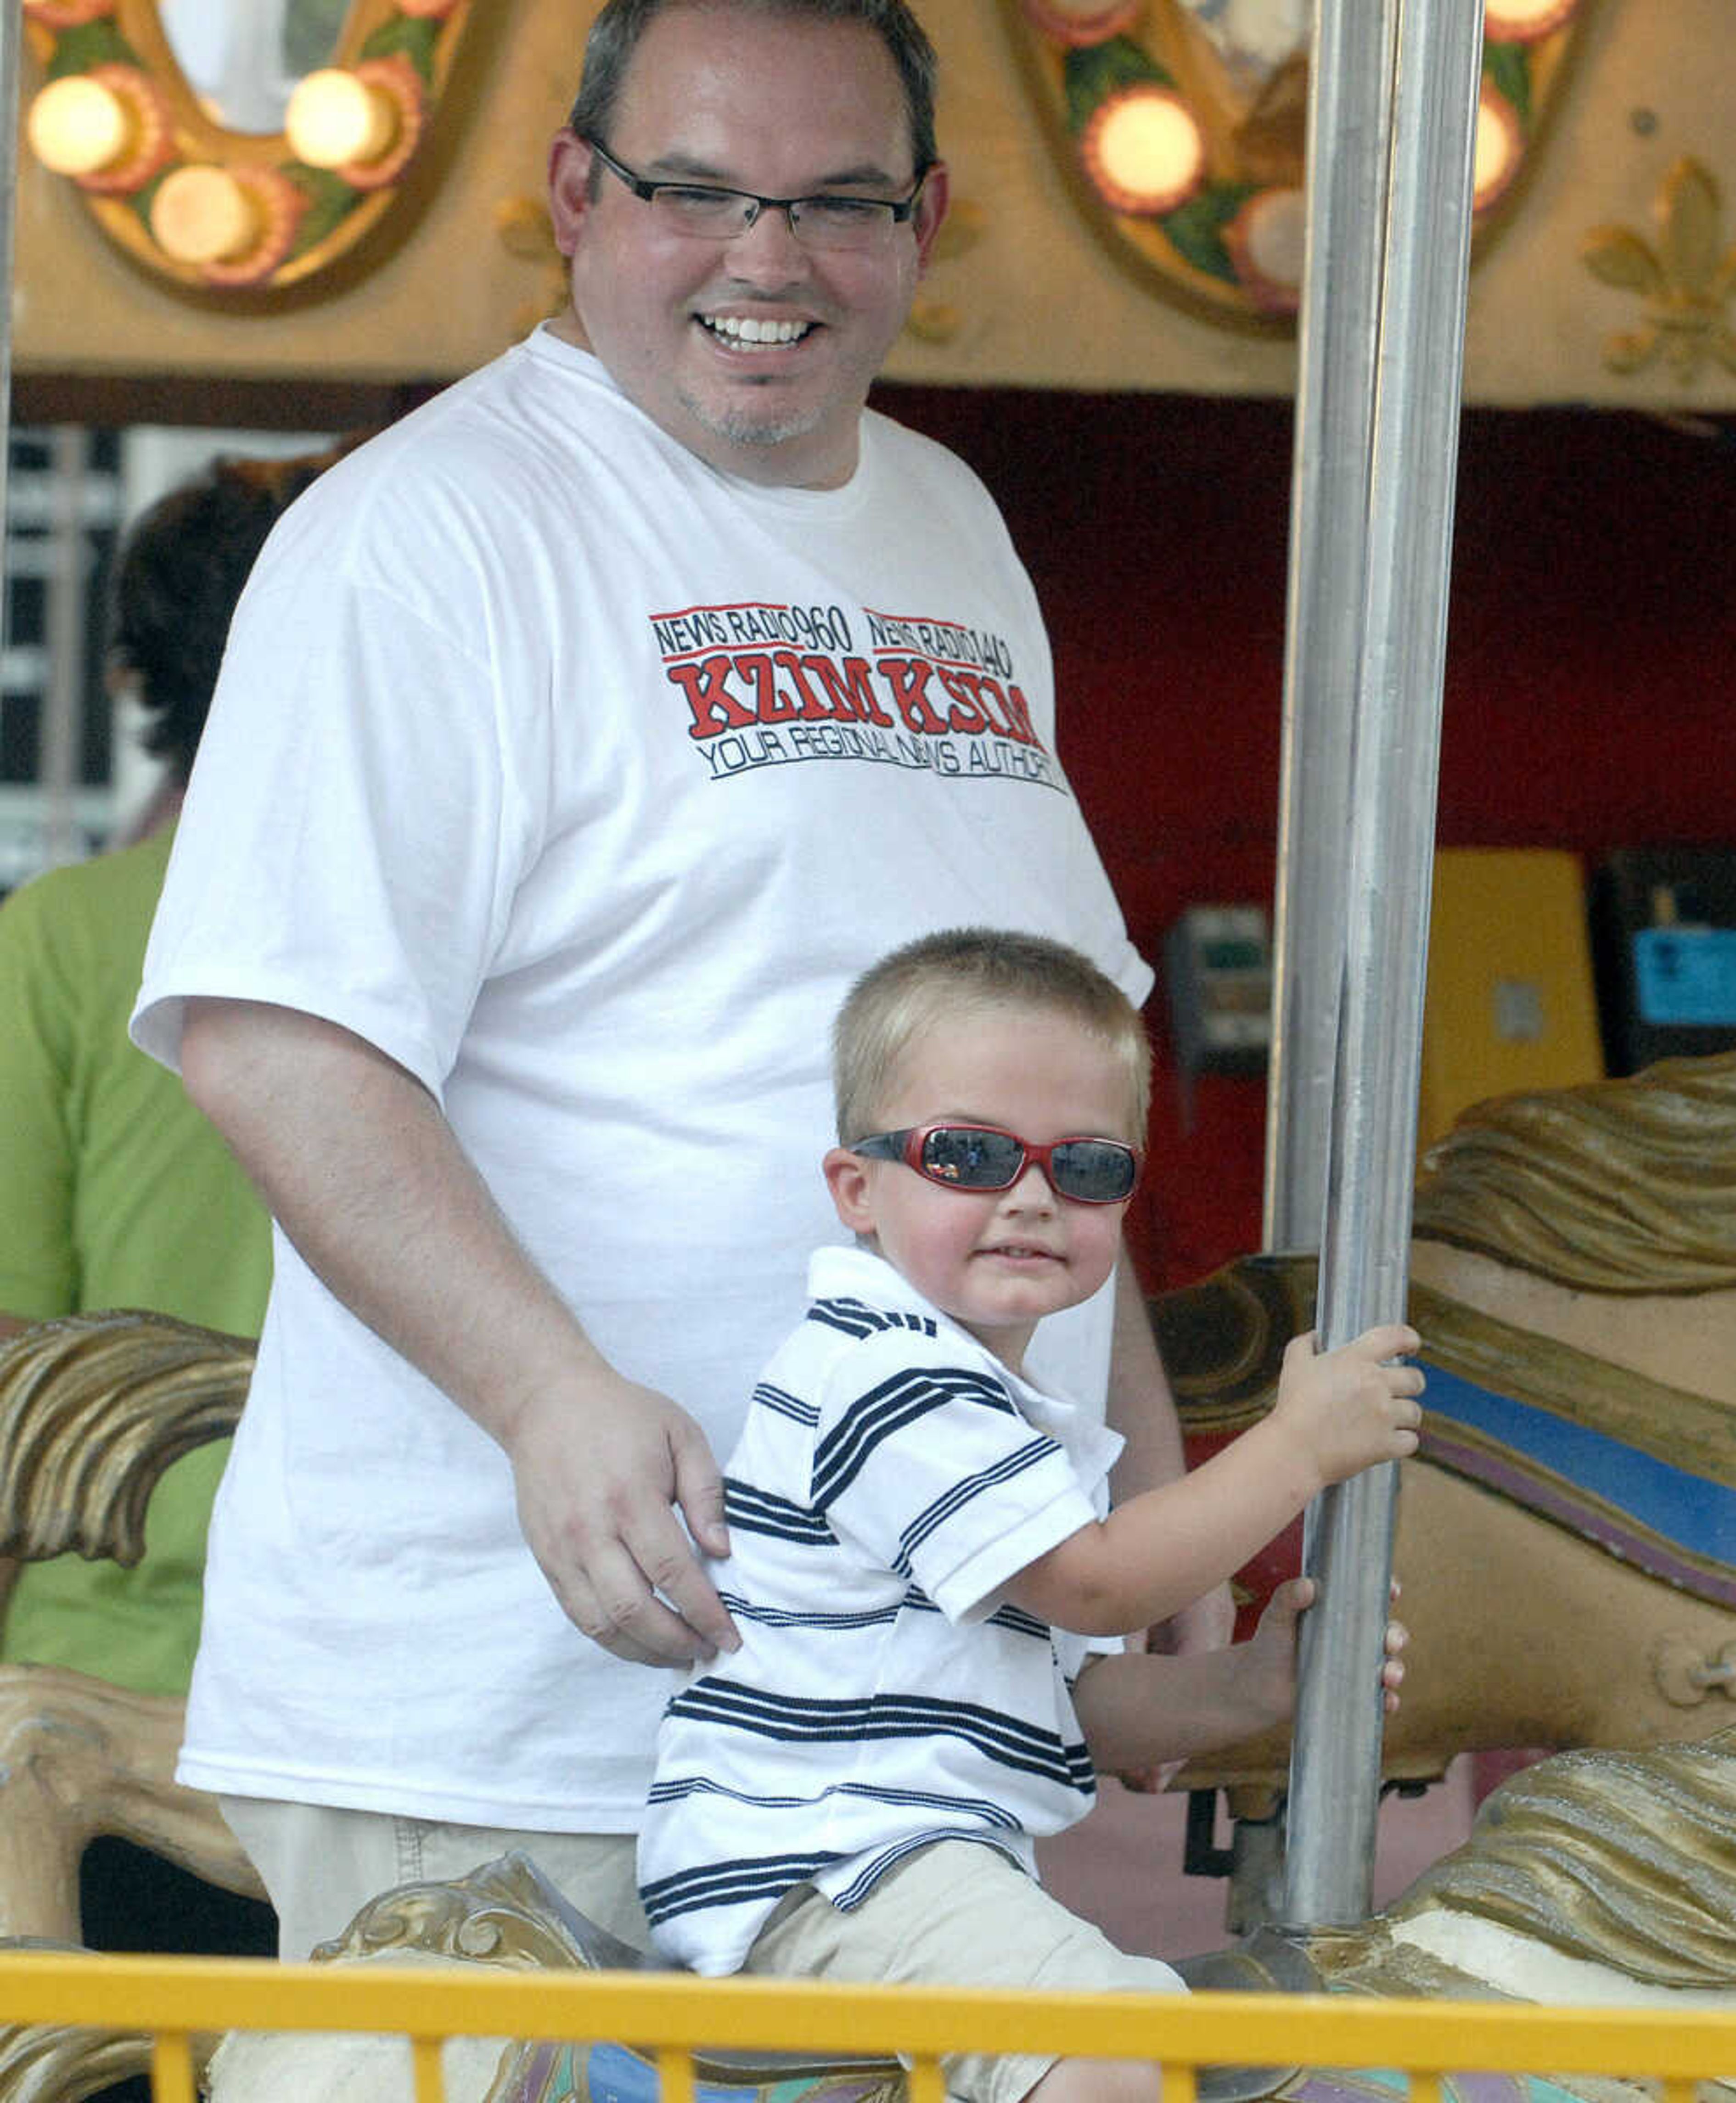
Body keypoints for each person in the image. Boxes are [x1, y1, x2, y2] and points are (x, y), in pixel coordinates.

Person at [130, 0, 1231, 1964]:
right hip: (518, 1690)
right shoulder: (426, 534)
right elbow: (273, 1037)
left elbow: (1050, 1091)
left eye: (838, 202)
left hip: (903, 1720)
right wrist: (549, 1392)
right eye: (698, 192)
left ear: (929, 218)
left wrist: (1137, 1486)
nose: (770, 259)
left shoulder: (952, 530)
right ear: (576, 192)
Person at [638, 929, 1421, 2103]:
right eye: (969, 1154)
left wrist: (1257, 1687)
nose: (1033, 1197)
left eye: (1089, 1167)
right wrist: (1295, 1448)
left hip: (901, 1852)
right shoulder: (888, 1376)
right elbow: (1096, 1584)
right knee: (1115, 2054)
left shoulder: (993, 1408)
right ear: (858, 1187)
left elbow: (1065, 1701)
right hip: (832, 1855)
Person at [0, 454, 337, 2035]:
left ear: (138, 677)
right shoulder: (471, 937)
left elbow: (12, 1335)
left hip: (95, 1703)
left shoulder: (64, 938)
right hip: (384, 1682)